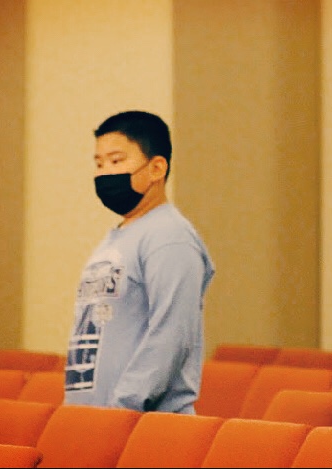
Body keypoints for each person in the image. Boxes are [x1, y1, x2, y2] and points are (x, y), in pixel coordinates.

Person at [64, 110, 215, 414]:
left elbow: (172, 332)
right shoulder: (117, 237)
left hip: (142, 423)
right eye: (99, 163)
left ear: (156, 168)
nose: (104, 173)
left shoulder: (169, 237)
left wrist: (124, 406)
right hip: (92, 420)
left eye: (116, 161)